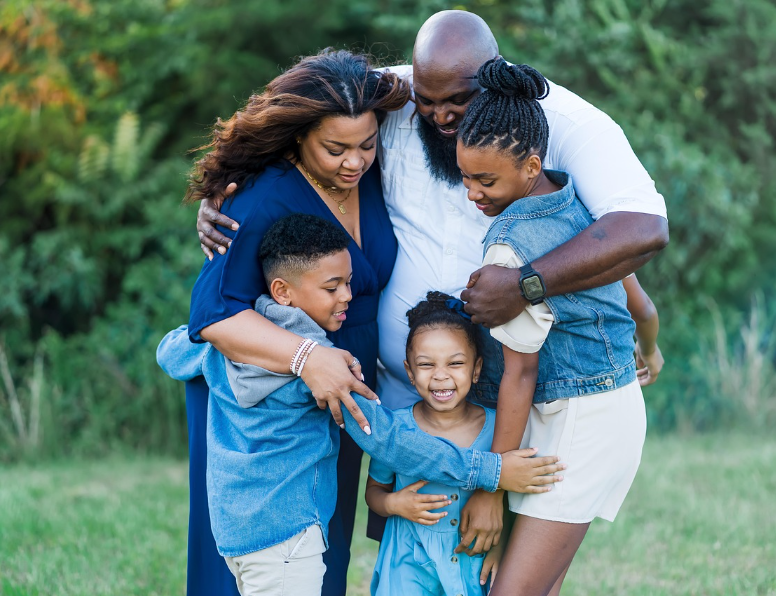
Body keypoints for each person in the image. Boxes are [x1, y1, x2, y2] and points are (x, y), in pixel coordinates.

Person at [196, 5, 669, 567]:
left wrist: (525, 286)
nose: (440, 116)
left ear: (492, 77)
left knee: (486, 563)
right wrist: (225, 183)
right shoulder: (396, 98)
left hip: (501, 398)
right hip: (398, 396)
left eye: (456, 104)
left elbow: (641, 230)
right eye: (428, 101)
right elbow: (307, 108)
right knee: (412, 555)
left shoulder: (566, 126)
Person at [158, 215, 563, 596]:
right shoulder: (324, 369)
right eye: (332, 287)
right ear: (283, 290)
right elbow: (387, 440)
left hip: (235, 532)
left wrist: (214, 340)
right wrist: (491, 470)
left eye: (349, 282)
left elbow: (170, 352)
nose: (348, 296)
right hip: (289, 534)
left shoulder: (226, 343)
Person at [182, 49, 413, 596]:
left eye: (366, 144)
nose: (354, 162)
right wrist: (309, 358)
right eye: (335, 149)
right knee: (260, 550)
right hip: (266, 397)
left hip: (342, 382)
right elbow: (212, 317)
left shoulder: (372, 179)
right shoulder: (260, 199)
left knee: (320, 551)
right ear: (296, 138)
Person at [454, 56, 655, 596]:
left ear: (529, 164)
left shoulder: (508, 248)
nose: (472, 192)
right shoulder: (573, 201)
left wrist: (491, 487)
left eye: (486, 180)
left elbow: (520, 376)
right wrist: (649, 344)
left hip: (578, 428)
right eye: (465, 176)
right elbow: (634, 292)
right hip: (601, 413)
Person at [366, 291, 508, 596]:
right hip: (408, 564)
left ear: (477, 368)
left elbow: (512, 501)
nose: (441, 376)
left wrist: (501, 548)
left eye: (455, 363)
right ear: (410, 372)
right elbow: (374, 492)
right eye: (427, 365)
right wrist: (393, 504)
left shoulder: (500, 427)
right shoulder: (395, 429)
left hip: (474, 561)